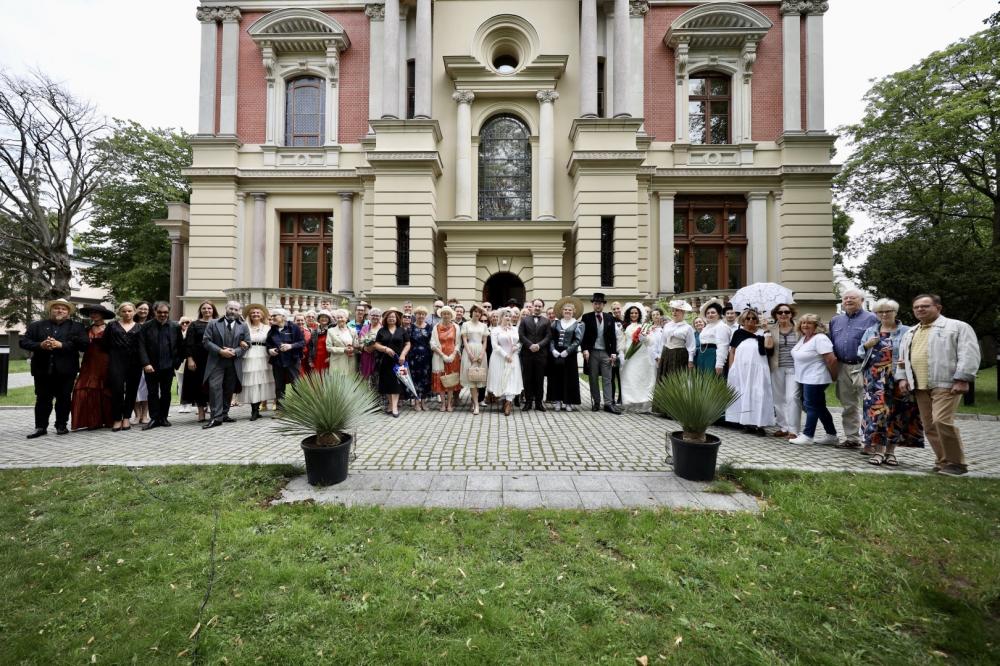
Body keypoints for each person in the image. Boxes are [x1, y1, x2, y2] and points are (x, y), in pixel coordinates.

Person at [896, 294, 980, 475]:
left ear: (938, 308)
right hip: (919, 385)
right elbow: (902, 359)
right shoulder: (911, 332)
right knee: (929, 427)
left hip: (946, 383)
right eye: (916, 307)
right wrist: (902, 378)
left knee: (941, 421)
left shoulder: (957, 327)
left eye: (925, 306)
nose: (920, 309)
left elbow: (969, 353)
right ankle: (943, 462)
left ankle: (957, 463)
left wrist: (962, 379)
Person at [858, 298, 923, 465]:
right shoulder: (871, 331)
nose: (884, 314)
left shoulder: (907, 331)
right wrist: (866, 345)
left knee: (897, 414)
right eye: (880, 312)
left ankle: (891, 453)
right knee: (877, 415)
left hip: (898, 378)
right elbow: (859, 353)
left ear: (895, 312)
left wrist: (906, 371)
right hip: (874, 381)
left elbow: (915, 353)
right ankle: (878, 452)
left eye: (888, 311)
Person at [20, 299, 90, 438]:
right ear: (50, 310)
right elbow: (23, 342)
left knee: (64, 398)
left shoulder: (77, 327)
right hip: (42, 369)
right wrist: (40, 345)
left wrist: (62, 345)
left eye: (63, 309)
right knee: (42, 399)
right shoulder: (36, 326)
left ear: (68, 312)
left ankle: (61, 425)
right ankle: (40, 427)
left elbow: (84, 345)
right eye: (56, 308)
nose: (60, 311)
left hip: (66, 370)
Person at [828, 289, 878, 448]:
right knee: (848, 405)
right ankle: (852, 439)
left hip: (864, 366)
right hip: (843, 366)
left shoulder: (872, 318)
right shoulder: (835, 320)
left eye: (853, 298)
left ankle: (872, 440)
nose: (848, 300)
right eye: (845, 298)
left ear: (862, 300)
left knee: (870, 403)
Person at [788, 314, 840, 445]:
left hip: (816, 378)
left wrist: (834, 377)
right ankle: (831, 436)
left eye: (809, 323)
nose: (805, 325)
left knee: (810, 406)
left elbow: (832, 359)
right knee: (819, 407)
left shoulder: (820, 338)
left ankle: (808, 436)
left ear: (816, 326)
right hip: (805, 378)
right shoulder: (804, 338)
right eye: (803, 323)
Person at [202, 301, 253, 427]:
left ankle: (224, 414)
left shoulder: (243, 326)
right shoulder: (213, 323)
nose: (233, 311)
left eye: (236, 309)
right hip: (216, 362)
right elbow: (206, 341)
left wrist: (235, 351)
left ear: (239, 311)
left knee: (229, 389)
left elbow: (248, 343)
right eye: (231, 308)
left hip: (234, 362)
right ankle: (216, 417)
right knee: (215, 387)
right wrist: (220, 351)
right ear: (226, 308)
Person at [725, 309, 775, 435]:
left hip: (759, 368)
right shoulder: (738, 333)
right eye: (748, 318)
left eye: (753, 318)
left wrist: (767, 330)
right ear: (743, 320)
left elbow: (769, 346)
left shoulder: (762, 332)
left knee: (759, 394)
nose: (751, 320)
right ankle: (746, 423)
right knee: (743, 393)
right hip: (741, 369)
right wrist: (732, 368)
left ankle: (760, 424)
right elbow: (732, 351)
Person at [136, 301, 184, 430]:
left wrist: (177, 362)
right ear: (154, 312)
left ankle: (163, 418)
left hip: (168, 366)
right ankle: (154, 418)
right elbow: (141, 346)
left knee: (166, 393)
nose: (163, 315)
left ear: (168, 312)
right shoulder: (146, 326)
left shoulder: (175, 326)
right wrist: (146, 363)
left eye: (165, 312)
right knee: (152, 393)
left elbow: (181, 346)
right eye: (160, 312)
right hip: (151, 366)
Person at [70, 305, 115, 431]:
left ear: (103, 315)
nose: (93, 314)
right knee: (83, 388)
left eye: (96, 312)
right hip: (89, 362)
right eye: (91, 312)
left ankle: (108, 420)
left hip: (106, 361)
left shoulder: (111, 328)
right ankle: (92, 421)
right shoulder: (86, 330)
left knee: (106, 389)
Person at [104, 302, 143, 432]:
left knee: (132, 390)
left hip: (135, 363)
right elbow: (105, 343)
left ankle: (126, 417)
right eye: (124, 311)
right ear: (120, 312)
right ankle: (117, 418)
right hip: (116, 361)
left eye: (129, 311)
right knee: (117, 390)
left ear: (134, 312)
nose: (127, 313)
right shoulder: (112, 325)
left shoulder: (140, 327)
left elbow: (142, 346)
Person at [581, 292, 621, 414]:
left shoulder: (609, 318)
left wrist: (613, 353)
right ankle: (596, 402)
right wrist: (585, 349)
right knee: (593, 378)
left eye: (600, 303)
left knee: (607, 378)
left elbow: (613, 337)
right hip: (592, 352)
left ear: (603, 305)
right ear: (593, 304)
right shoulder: (586, 317)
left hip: (606, 353)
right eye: (595, 303)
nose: (597, 305)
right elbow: (583, 336)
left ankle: (608, 403)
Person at [768, 303, 802, 440]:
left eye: (786, 312)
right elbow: (767, 347)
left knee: (792, 397)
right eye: (780, 312)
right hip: (776, 367)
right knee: (778, 398)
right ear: (775, 315)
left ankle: (794, 430)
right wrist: (765, 331)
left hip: (794, 367)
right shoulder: (770, 329)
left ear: (791, 314)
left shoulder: (800, 328)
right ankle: (783, 426)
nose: (783, 314)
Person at [618, 303, 657, 413]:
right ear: (628, 314)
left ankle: (642, 403)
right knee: (630, 378)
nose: (634, 315)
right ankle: (630, 403)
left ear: (639, 314)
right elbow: (621, 341)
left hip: (642, 356)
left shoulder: (644, 326)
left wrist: (645, 338)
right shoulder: (625, 326)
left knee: (641, 379)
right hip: (629, 356)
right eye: (632, 313)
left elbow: (651, 342)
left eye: (636, 313)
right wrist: (621, 353)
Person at [182, 301, 217, 422]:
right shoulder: (194, 325)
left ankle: (214, 411)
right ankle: (201, 412)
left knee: (213, 385)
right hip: (198, 359)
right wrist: (190, 359)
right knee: (198, 385)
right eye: (204, 308)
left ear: (213, 310)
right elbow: (188, 343)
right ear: (200, 310)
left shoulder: (218, 323)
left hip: (214, 358)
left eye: (209, 308)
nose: (207, 310)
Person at [374, 307, 411, 417]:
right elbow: (376, 344)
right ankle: (391, 405)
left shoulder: (402, 330)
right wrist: (385, 349)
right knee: (387, 384)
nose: (391, 318)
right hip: (385, 361)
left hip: (399, 361)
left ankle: (394, 407)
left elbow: (408, 343)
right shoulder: (382, 330)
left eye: (393, 317)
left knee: (396, 384)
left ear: (397, 319)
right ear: (386, 319)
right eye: (389, 317)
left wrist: (403, 354)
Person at [549, 298, 584, 411]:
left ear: (574, 312)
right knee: (557, 377)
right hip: (557, 353)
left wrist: (567, 351)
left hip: (570, 355)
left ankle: (569, 402)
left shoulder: (578, 324)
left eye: (570, 310)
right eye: (565, 310)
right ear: (562, 311)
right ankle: (557, 401)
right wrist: (553, 350)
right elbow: (551, 338)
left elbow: (578, 340)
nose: (567, 311)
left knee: (570, 378)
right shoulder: (556, 323)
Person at [267, 308, 305, 410]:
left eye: (275, 315)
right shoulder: (272, 330)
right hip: (277, 362)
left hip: (292, 361)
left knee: (296, 384)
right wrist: (270, 350)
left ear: (283, 317)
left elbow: (302, 342)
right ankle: (280, 410)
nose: (272, 317)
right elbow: (268, 344)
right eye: (272, 316)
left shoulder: (294, 327)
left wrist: (291, 346)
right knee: (279, 386)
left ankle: (301, 409)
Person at [487, 308, 523, 415]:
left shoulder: (515, 329)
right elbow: (495, 345)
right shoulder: (495, 330)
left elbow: (519, 342)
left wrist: (517, 347)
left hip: (513, 357)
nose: (508, 318)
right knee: (501, 378)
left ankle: (508, 402)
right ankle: (503, 400)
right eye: (506, 316)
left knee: (511, 378)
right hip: (499, 357)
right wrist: (505, 355)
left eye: (509, 316)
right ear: (501, 317)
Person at [518, 298, 550, 411]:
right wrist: (530, 345)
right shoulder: (525, 320)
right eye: (535, 306)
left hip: (541, 354)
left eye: (539, 306)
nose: (537, 308)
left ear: (542, 308)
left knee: (539, 379)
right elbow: (521, 335)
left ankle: (538, 403)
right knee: (527, 379)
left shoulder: (546, 321)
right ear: (532, 306)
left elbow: (548, 336)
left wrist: (539, 345)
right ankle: (528, 402)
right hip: (527, 353)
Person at [430, 306, 462, 412]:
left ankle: (449, 404)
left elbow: (458, 343)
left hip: (453, 357)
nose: (446, 315)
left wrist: (453, 355)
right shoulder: (436, 327)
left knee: (451, 380)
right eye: (444, 313)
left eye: (448, 313)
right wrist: (442, 355)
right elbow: (432, 344)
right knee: (441, 380)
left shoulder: (456, 327)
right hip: (439, 357)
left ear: (451, 315)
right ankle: (443, 404)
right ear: (441, 315)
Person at [461, 303, 489, 415]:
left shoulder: (483, 326)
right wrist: (470, 354)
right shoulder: (466, 324)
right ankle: (476, 405)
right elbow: (464, 340)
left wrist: (481, 354)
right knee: (471, 379)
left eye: (479, 312)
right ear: (471, 312)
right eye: (475, 311)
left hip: (480, 350)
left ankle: (474, 401)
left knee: (478, 377)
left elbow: (485, 341)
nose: (477, 313)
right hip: (469, 351)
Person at [657, 300, 696, 380]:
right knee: (665, 377)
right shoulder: (667, 325)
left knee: (677, 378)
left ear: (683, 312)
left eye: (677, 310)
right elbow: (662, 342)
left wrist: (690, 360)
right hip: (666, 354)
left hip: (680, 355)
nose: (674, 312)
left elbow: (691, 345)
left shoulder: (688, 328)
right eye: (673, 310)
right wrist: (660, 356)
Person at [407, 306, 434, 410]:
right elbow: (407, 342)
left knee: (425, 379)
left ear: (425, 316)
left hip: (426, 357)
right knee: (415, 378)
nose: (421, 316)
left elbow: (432, 341)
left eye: (423, 314)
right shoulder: (410, 327)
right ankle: (416, 402)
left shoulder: (429, 327)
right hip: (413, 357)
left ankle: (423, 402)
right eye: (419, 314)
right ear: (415, 315)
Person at [695, 299, 730, 377]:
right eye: (708, 313)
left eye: (713, 312)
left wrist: (719, 364)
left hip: (713, 356)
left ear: (718, 314)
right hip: (702, 356)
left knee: (712, 379)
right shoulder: (707, 327)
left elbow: (723, 346)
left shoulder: (721, 326)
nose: (710, 315)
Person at [132, 301, 151, 426]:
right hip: (133, 360)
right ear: (136, 309)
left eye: (146, 309)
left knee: (147, 388)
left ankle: (145, 415)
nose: (143, 311)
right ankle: (137, 415)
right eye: (140, 308)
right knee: (134, 388)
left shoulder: (152, 325)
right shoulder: (131, 324)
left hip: (149, 361)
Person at [326, 309, 358, 375]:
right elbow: (328, 347)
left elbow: (356, 345)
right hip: (337, 362)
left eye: (341, 317)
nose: (340, 319)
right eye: (338, 318)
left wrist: (353, 349)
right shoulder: (331, 331)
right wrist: (343, 349)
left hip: (350, 361)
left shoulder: (353, 331)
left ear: (346, 318)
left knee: (349, 380)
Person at [359, 308, 382, 390]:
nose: (375, 317)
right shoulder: (365, 328)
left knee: (378, 378)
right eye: (373, 315)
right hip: (366, 356)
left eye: (377, 315)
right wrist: (364, 348)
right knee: (365, 379)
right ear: (369, 316)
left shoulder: (383, 328)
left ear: (380, 317)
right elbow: (360, 341)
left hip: (379, 357)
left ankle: (378, 396)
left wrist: (375, 347)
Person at [309, 310, 333, 374]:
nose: (324, 319)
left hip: (327, 358)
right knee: (317, 376)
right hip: (316, 358)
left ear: (329, 319)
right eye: (322, 317)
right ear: (318, 319)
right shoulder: (314, 332)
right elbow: (311, 347)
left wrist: (330, 357)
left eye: (326, 317)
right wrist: (310, 360)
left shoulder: (331, 331)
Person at [610, 301, 625, 405]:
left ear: (621, 308)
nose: (616, 310)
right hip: (613, 351)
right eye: (614, 309)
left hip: (624, 351)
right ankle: (611, 398)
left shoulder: (626, 321)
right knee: (611, 376)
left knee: (621, 377)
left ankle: (621, 397)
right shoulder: (610, 321)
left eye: (618, 308)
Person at [177, 317, 192, 413]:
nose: (185, 324)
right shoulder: (177, 333)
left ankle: (189, 404)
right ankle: (182, 404)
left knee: (189, 383)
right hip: (179, 362)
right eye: (183, 323)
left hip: (190, 361)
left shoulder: (191, 332)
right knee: (180, 383)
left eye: (187, 322)